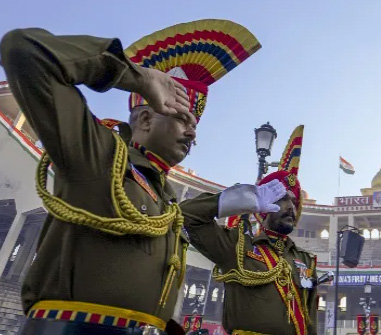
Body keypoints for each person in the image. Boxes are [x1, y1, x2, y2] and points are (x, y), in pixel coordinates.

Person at [0, 19, 263, 335]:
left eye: (195, 124)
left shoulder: (165, 197)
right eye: (183, 119)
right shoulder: (98, 153)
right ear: (146, 118)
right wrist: (136, 77)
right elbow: (23, 49)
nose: (193, 131)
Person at [179, 126, 319, 335]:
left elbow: (310, 321)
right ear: (264, 206)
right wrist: (238, 201)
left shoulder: (306, 260)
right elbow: (187, 215)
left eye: (294, 201)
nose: (291, 206)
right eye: (282, 199)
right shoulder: (237, 245)